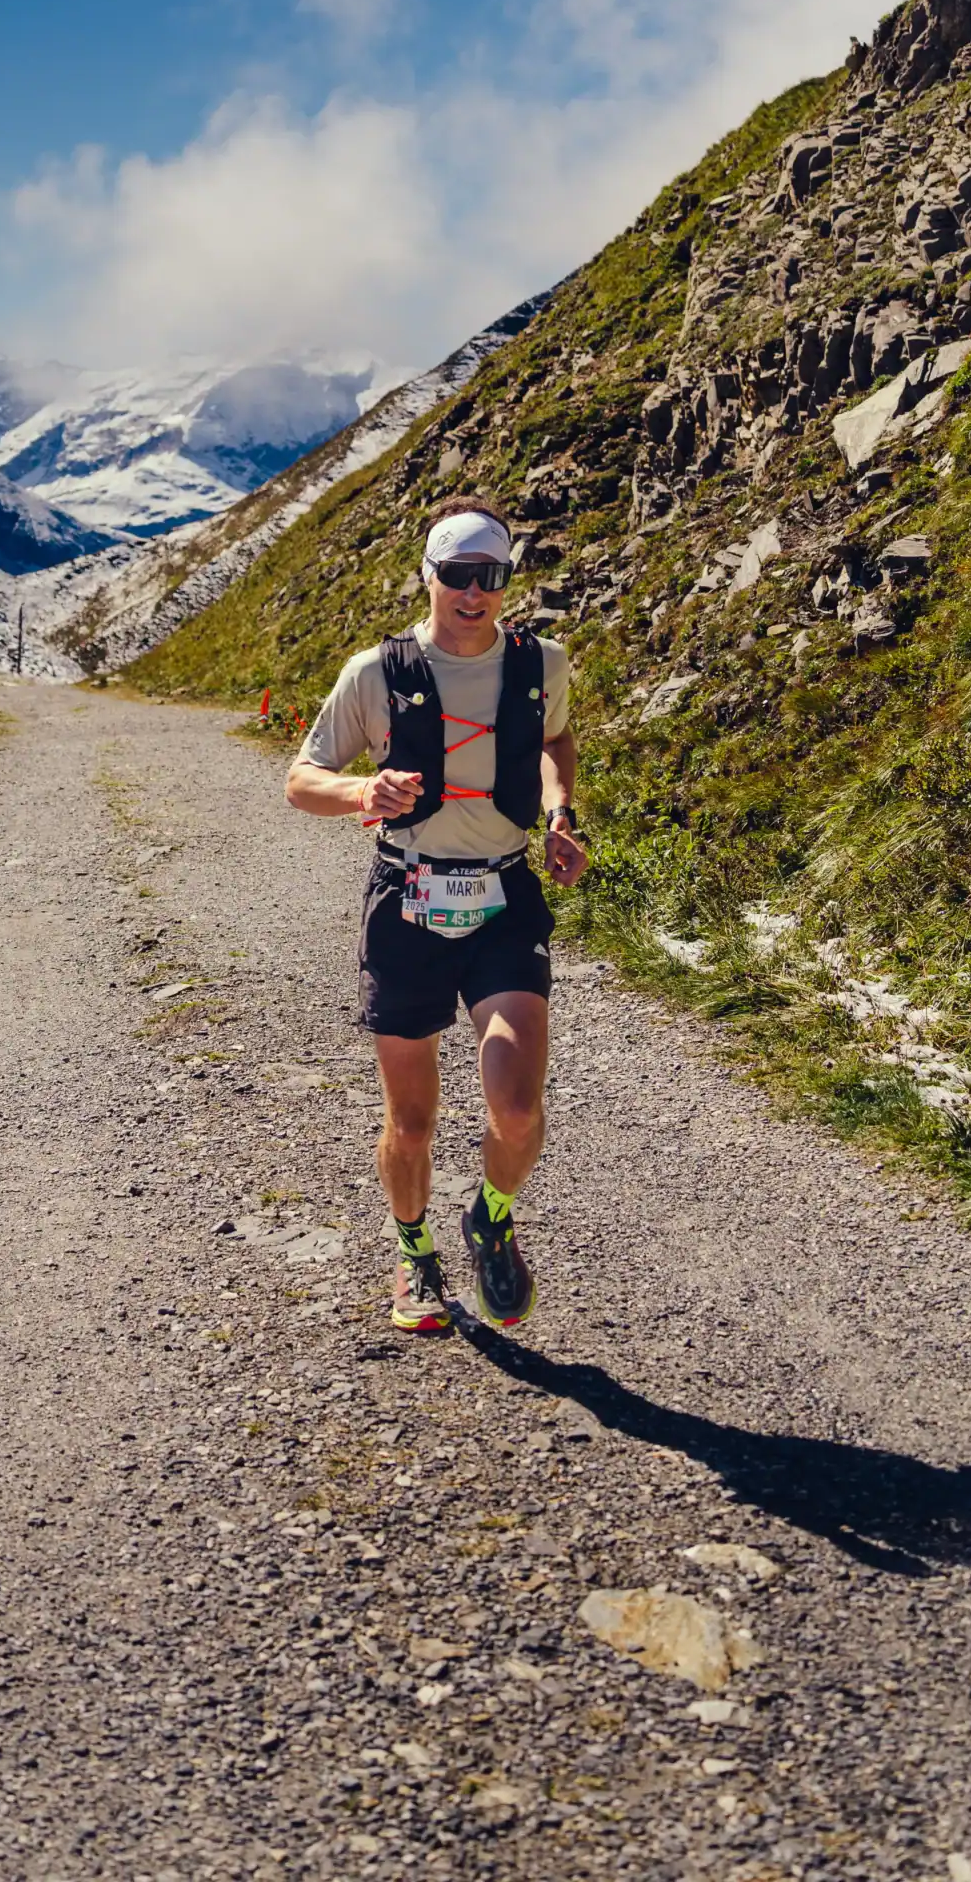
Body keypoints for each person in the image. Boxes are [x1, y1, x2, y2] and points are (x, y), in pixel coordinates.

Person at [285, 500, 589, 1335]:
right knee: (412, 1121)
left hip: (503, 896)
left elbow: (554, 741)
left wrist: (560, 816)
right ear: (427, 576)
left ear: (507, 582)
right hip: (406, 900)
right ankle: (413, 1251)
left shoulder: (540, 663)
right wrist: (363, 790)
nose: (472, 592)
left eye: (489, 576)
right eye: (456, 575)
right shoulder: (374, 672)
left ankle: (490, 1218)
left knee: (516, 1108)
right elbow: (301, 780)